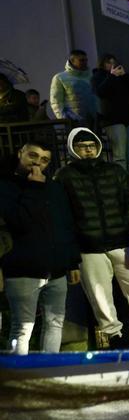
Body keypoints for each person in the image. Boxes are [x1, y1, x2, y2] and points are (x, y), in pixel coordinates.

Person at [55, 128, 129, 349]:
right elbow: (62, 215)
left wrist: (126, 226)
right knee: (99, 295)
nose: (88, 150)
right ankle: (114, 336)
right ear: (72, 149)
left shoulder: (115, 171)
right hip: (88, 247)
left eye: (91, 145)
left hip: (122, 242)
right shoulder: (65, 176)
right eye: (82, 146)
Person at [0, 140, 81, 354]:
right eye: (33, 156)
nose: (38, 163)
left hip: (56, 270)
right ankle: (19, 379)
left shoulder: (53, 187)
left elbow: (65, 224)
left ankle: (49, 375)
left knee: (55, 325)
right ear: (20, 153)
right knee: (22, 329)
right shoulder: (6, 185)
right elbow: (19, 221)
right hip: (22, 270)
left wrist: (72, 262)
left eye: (44, 160)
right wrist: (34, 187)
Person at [92, 54, 129, 191]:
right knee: (119, 156)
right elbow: (100, 92)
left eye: (114, 62)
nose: (112, 65)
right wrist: (111, 76)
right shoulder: (99, 76)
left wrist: (125, 75)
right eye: (108, 62)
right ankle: (122, 186)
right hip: (113, 119)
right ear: (102, 64)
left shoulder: (123, 77)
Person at [49, 49, 97, 127]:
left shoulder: (91, 76)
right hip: (74, 121)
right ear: (72, 61)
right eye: (81, 60)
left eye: (86, 60)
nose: (85, 62)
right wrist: (65, 119)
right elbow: (56, 102)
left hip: (93, 120)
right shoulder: (60, 78)